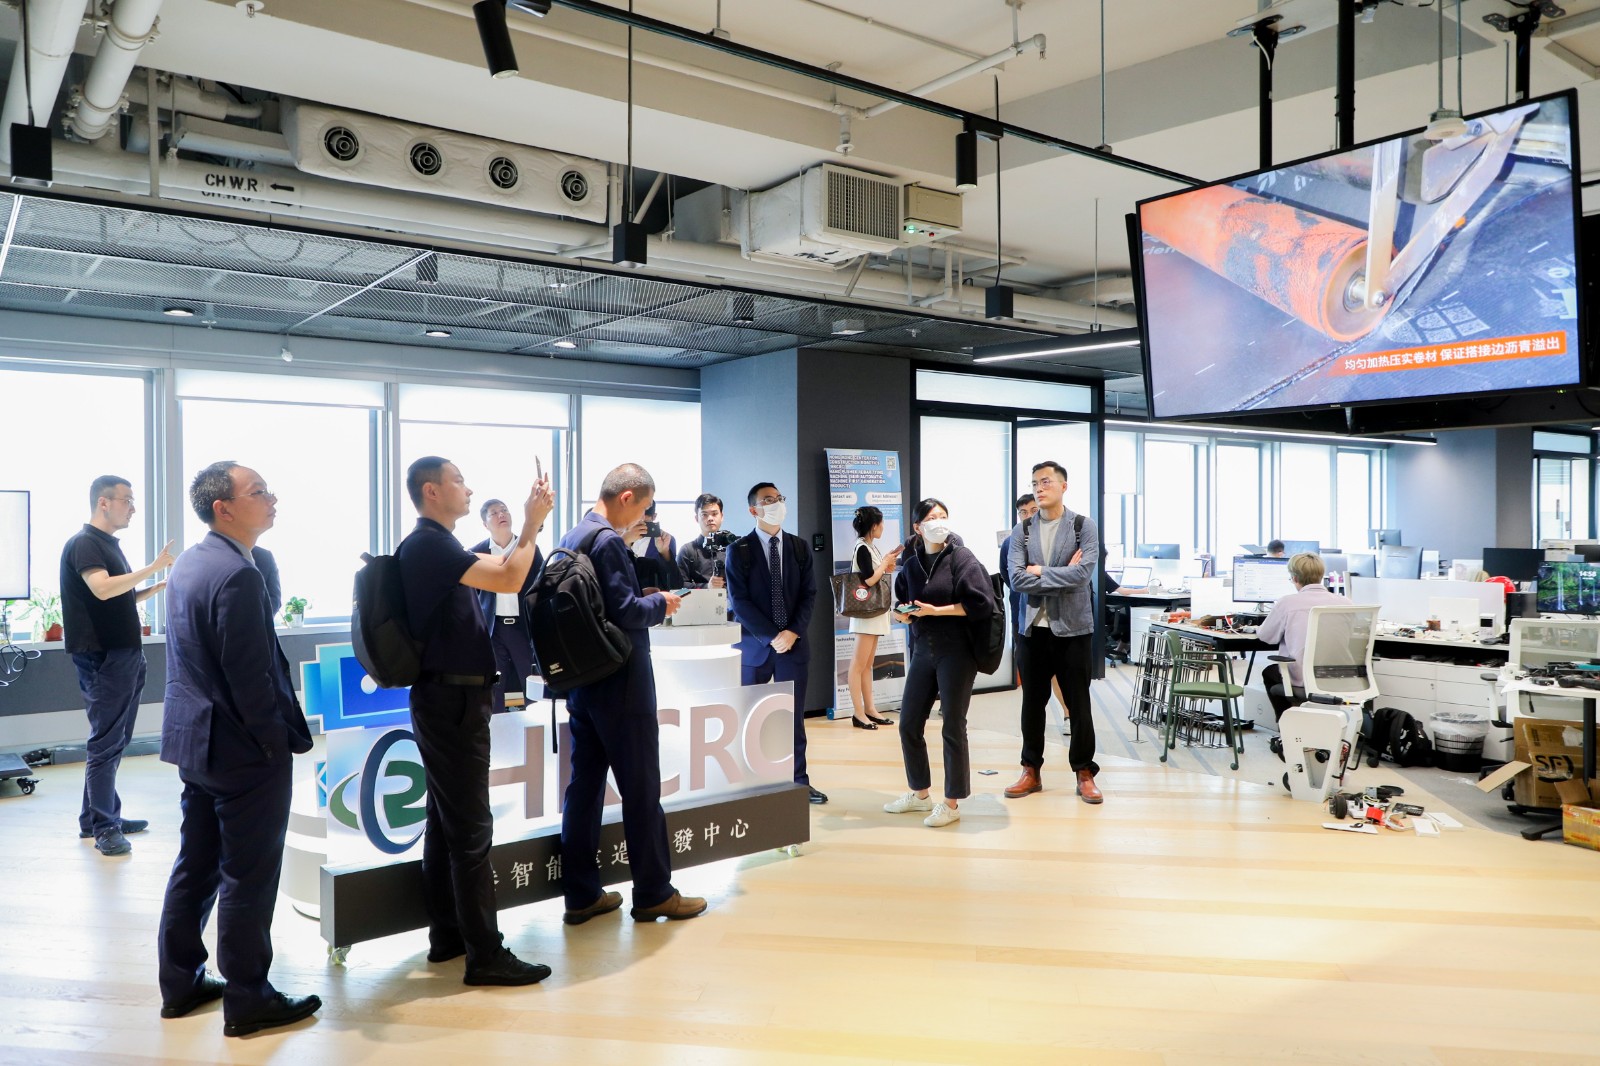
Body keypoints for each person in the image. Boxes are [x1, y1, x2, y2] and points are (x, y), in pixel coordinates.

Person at [157, 462, 319, 1037]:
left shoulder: (190, 563)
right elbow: (251, 677)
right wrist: (274, 745)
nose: (271, 499)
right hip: (241, 750)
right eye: (258, 492)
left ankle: (180, 983)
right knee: (248, 874)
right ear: (223, 508)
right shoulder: (238, 575)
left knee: (196, 864)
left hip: (196, 742)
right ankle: (249, 996)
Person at [396, 456, 554, 985]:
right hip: (451, 702)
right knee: (469, 829)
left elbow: (505, 568)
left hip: (448, 699)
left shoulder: (436, 546)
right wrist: (531, 522)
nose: (468, 488)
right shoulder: (430, 545)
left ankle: (448, 936)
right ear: (431, 491)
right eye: (459, 480)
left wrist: (529, 527)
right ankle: (485, 954)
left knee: (446, 825)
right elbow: (509, 577)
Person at [559, 463, 707, 923]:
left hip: (584, 682)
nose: (642, 518)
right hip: (621, 681)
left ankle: (581, 894)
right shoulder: (607, 542)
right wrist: (661, 602)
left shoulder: (574, 535)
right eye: (642, 508)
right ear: (626, 498)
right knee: (641, 788)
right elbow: (626, 611)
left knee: (584, 788)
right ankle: (654, 892)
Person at [60, 475, 174, 856]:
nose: (133, 508)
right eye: (127, 500)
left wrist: (155, 587)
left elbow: (118, 596)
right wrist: (153, 566)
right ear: (103, 503)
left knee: (115, 740)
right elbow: (103, 588)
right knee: (105, 742)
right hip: (104, 657)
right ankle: (105, 827)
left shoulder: (106, 545)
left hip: (124, 656)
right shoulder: (84, 544)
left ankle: (94, 817)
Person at [884, 504, 994, 827]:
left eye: (942, 517)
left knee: (953, 725)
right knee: (908, 723)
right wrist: (902, 614)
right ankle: (920, 795)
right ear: (917, 527)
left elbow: (981, 603)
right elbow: (901, 601)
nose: (938, 523)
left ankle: (951, 803)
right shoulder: (911, 563)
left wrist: (936, 611)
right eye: (931, 518)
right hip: (923, 648)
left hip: (956, 651)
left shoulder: (961, 557)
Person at [1006, 461, 1104, 804]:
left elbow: (1083, 575)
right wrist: (1058, 573)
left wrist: (1039, 571)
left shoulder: (1082, 526)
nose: (1038, 488)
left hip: (1073, 629)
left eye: (1046, 482)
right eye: (1034, 483)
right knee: (1032, 703)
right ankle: (1030, 770)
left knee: (1079, 703)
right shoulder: (1023, 530)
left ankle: (1084, 771)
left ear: (1063, 486)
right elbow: (1017, 579)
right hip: (1032, 629)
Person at [726, 481, 825, 804]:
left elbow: (809, 594)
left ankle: (798, 782)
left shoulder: (799, 547)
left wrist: (792, 632)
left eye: (779, 498)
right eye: (768, 500)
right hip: (755, 648)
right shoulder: (739, 550)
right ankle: (749, 782)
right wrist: (771, 636)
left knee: (792, 719)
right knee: (750, 718)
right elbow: (739, 602)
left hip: (793, 647)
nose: (777, 504)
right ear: (753, 510)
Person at [468, 498, 542, 713]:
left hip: (522, 627)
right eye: (494, 513)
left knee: (530, 680)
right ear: (485, 524)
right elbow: (473, 596)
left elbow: (540, 587)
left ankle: (534, 727)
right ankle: (498, 726)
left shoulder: (528, 548)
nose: (501, 514)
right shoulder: (478, 551)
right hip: (494, 630)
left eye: (504, 510)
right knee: (495, 685)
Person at [1258, 552, 1350, 721]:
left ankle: (1285, 726)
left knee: (1269, 673)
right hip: (1340, 676)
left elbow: (1266, 637)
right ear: (1321, 575)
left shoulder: (1287, 603)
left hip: (1303, 678)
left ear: (1294, 578)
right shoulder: (1346, 603)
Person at [844, 505, 901, 730]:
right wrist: (885, 564)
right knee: (858, 665)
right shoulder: (862, 548)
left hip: (874, 612)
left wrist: (886, 564)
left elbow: (876, 575)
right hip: (866, 613)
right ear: (874, 525)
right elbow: (868, 580)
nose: (883, 527)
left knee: (867, 665)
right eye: (881, 523)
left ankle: (870, 709)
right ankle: (858, 713)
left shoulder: (870, 547)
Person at [624, 506, 684, 592]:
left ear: (654, 516)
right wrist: (625, 542)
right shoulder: (620, 538)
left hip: (654, 594)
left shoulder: (664, 539)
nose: (641, 519)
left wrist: (664, 553)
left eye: (645, 515)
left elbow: (674, 583)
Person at [678, 493, 730, 589]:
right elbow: (680, 585)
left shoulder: (731, 548)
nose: (710, 518)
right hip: (699, 598)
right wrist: (707, 587)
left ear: (722, 516)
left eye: (714, 514)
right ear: (696, 518)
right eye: (704, 515)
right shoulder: (687, 550)